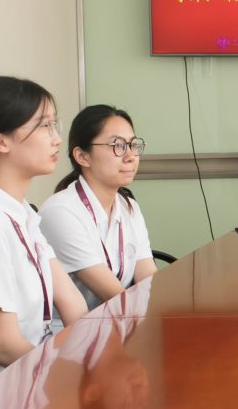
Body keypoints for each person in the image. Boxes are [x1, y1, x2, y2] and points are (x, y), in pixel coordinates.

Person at [0, 77, 88, 394]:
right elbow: (4, 346)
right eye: (44, 126)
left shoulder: (23, 212)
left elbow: (73, 304)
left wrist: (90, 359)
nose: (56, 139)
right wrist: (70, 378)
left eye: (54, 125)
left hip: (27, 379)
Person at [39, 104, 156, 311]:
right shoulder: (60, 212)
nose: (130, 156)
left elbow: (148, 280)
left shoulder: (129, 207)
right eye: (117, 145)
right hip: (76, 327)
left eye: (132, 145)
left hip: (119, 319)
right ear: (82, 156)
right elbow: (112, 295)